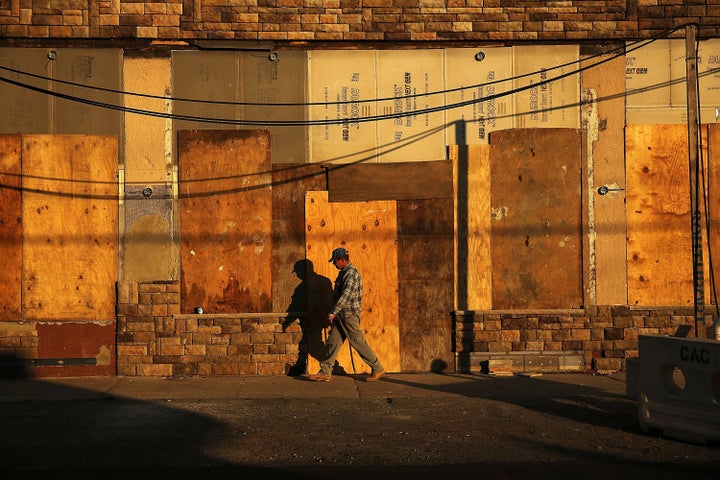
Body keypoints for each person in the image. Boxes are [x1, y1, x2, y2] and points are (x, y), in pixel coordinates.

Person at [308, 247, 386, 382]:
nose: (334, 264)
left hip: (348, 315)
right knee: (333, 342)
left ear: (342, 260)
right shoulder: (344, 273)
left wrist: (333, 312)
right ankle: (325, 371)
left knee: (357, 342)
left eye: (335, 261)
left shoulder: (351, 273)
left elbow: (346, 295)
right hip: (341, 316)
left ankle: (377, 368)